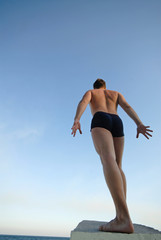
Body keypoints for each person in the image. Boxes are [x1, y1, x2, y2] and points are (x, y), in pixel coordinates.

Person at [71, 78, 153, 233]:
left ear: (95, 87)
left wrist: (77, 119)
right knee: (118, 165)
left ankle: (123, 218)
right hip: (117, 121)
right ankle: (120, 215)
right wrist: (139, 123)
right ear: (105, 86)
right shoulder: (115, 93)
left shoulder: (92, 92)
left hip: (100, 118)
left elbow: (83, 102)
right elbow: (127, 106)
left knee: (107, 159)